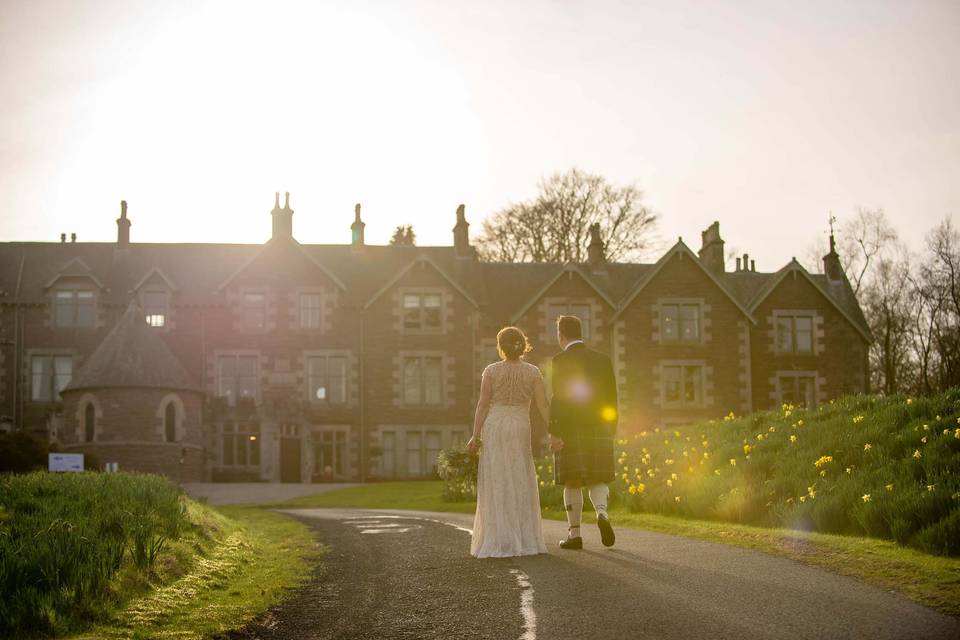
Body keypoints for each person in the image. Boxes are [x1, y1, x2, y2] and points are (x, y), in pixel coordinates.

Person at [467, 326, 548, 558]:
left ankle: (500, 538)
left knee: (498, 477)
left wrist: (475, 435)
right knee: (520, 475)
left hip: (495, 426)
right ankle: (524, 538)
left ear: (500, 347)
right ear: (523, 345)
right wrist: (554, 430)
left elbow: (483, 405)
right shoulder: (533, 372)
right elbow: (543, 405)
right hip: (520, 426)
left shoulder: (491, 371)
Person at [548, 315, 618, 549]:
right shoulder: (603, 360)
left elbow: (559, 398)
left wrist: (554, 431)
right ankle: (602, 514)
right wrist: (612, 426)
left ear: (561, 335)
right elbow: (612, 397)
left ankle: (574, 535)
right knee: (597, 477)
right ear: (581, 332)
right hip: (600, 427)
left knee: (572, 481)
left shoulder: (559, 360)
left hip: (571, 429)